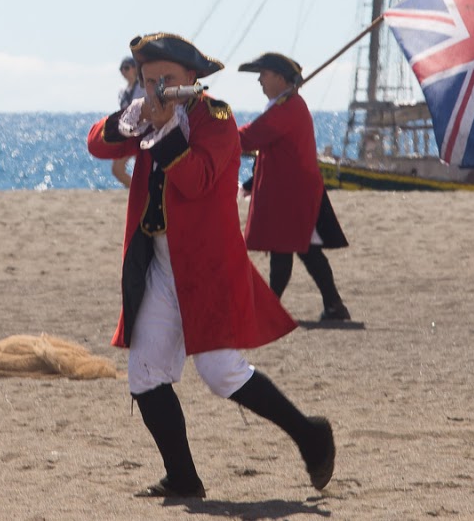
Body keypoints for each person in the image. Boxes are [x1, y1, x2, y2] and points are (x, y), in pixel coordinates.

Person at [86, 32, 335, 499]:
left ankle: (309, 434)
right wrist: (131, 120)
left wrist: (164, 134)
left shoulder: (214, 117)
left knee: (220, 372)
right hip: (158, 265)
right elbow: (97, 145)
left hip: (207, 266)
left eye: (166, 79)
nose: (156, 86)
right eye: (148, 78)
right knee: (145, 374)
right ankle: (183, 477)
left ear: (191, 79)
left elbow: (199, 180)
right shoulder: (145, 112)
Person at [237, 52, 351, 322]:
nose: (259, 80)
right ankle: (334, 305)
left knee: (284, 249)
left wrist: (218, 134)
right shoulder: (286, 105)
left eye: (263, 74)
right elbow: (267, 147)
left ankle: (268, 309)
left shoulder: (288, 107)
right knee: (306, 250)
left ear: (279, 77)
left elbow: (253, 136)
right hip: (292, 191)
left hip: (291, 193)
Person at [110, 56, 144, 189]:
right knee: (117, 169)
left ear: (135, 68)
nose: (124, 71)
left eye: (127, 67)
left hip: (142, 133)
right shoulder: (122, 91)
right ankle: (139, 191)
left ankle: (141, 193)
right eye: (121, 69)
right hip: (127, 134)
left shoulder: (143, 87)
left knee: (142, 169)